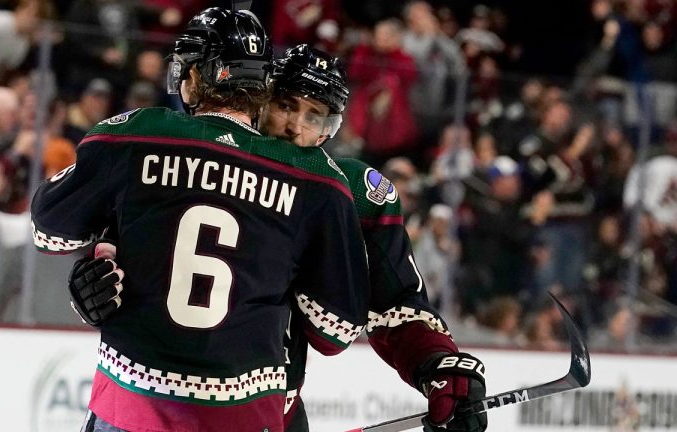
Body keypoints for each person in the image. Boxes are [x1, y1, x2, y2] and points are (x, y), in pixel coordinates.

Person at [69, 44, 487, 432]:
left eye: (313, 115)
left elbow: (396, 305)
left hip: (266, 410)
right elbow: (125, 234)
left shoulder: (351, 193)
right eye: (284, 105)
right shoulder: (193, 155)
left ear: (329, 129)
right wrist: (94, 273)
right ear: (258, 99)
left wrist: (438, 364)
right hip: (146, 401)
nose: (294, 127)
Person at [31, 8, 370, 432]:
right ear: (262, 87)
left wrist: (109, 244)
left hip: (132, 407)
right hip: (246, 415)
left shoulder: (134, 135)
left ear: (196, 76)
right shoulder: (320, 182)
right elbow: (336, 332)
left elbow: (48, 230)